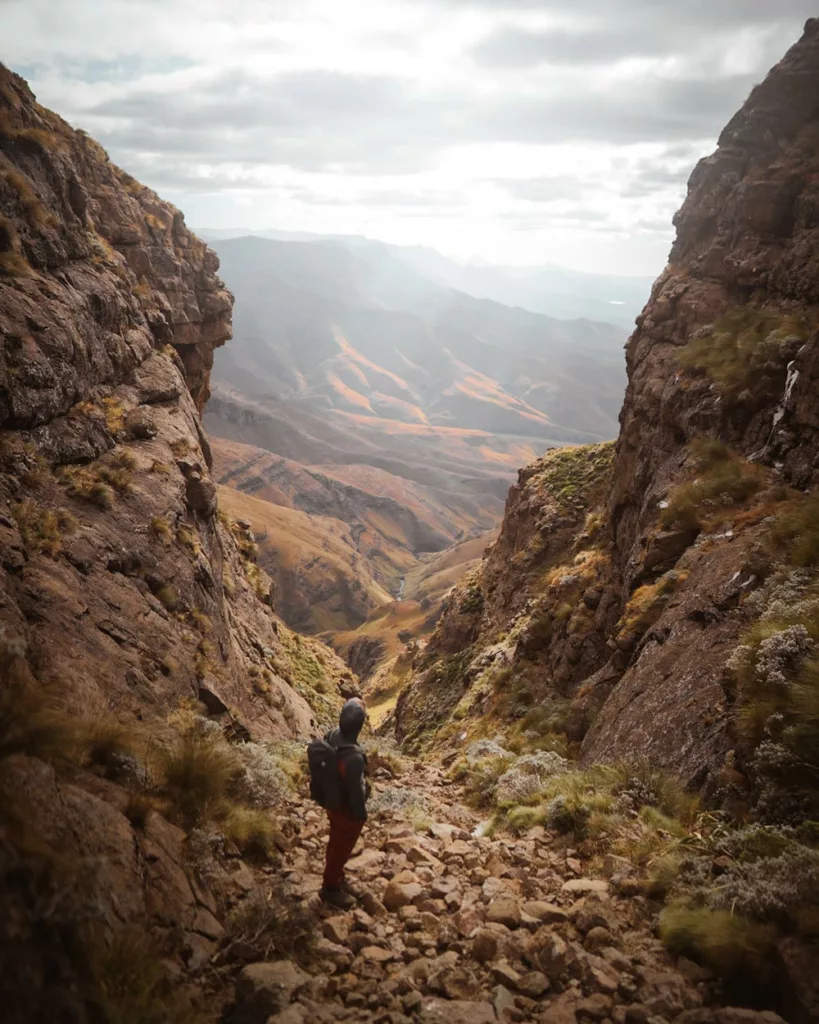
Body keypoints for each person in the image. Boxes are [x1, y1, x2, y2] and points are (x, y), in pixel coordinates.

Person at [319, 698, 369, 909]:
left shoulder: (332, 734)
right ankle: (330, 888)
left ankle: (336, 874)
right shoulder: (354, 758)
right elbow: (356, 792)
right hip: (346, 809)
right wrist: (360, 814)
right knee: (343, 845)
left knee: (335, 839)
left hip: (332, 800)